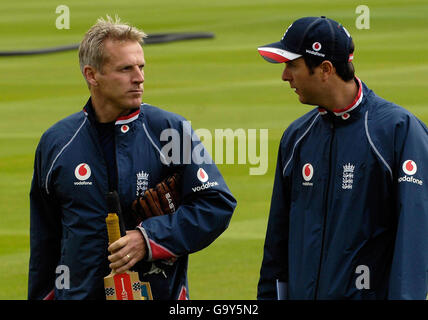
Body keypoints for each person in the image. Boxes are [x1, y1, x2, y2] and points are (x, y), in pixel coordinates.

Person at [28, 16, 236, 300]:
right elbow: (45, 240)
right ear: (92, 75)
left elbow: (216, 205)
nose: (139, 78)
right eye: (125, 69)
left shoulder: (170, 131)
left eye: (141, 67)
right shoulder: (57, 142)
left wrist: (150, 238)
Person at [257, 16, 428, 299]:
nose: (285, 76)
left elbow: (414, 243)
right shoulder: (296, 137)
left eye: (292, 65)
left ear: (325, 69)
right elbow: (277, 243)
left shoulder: (400, 131)